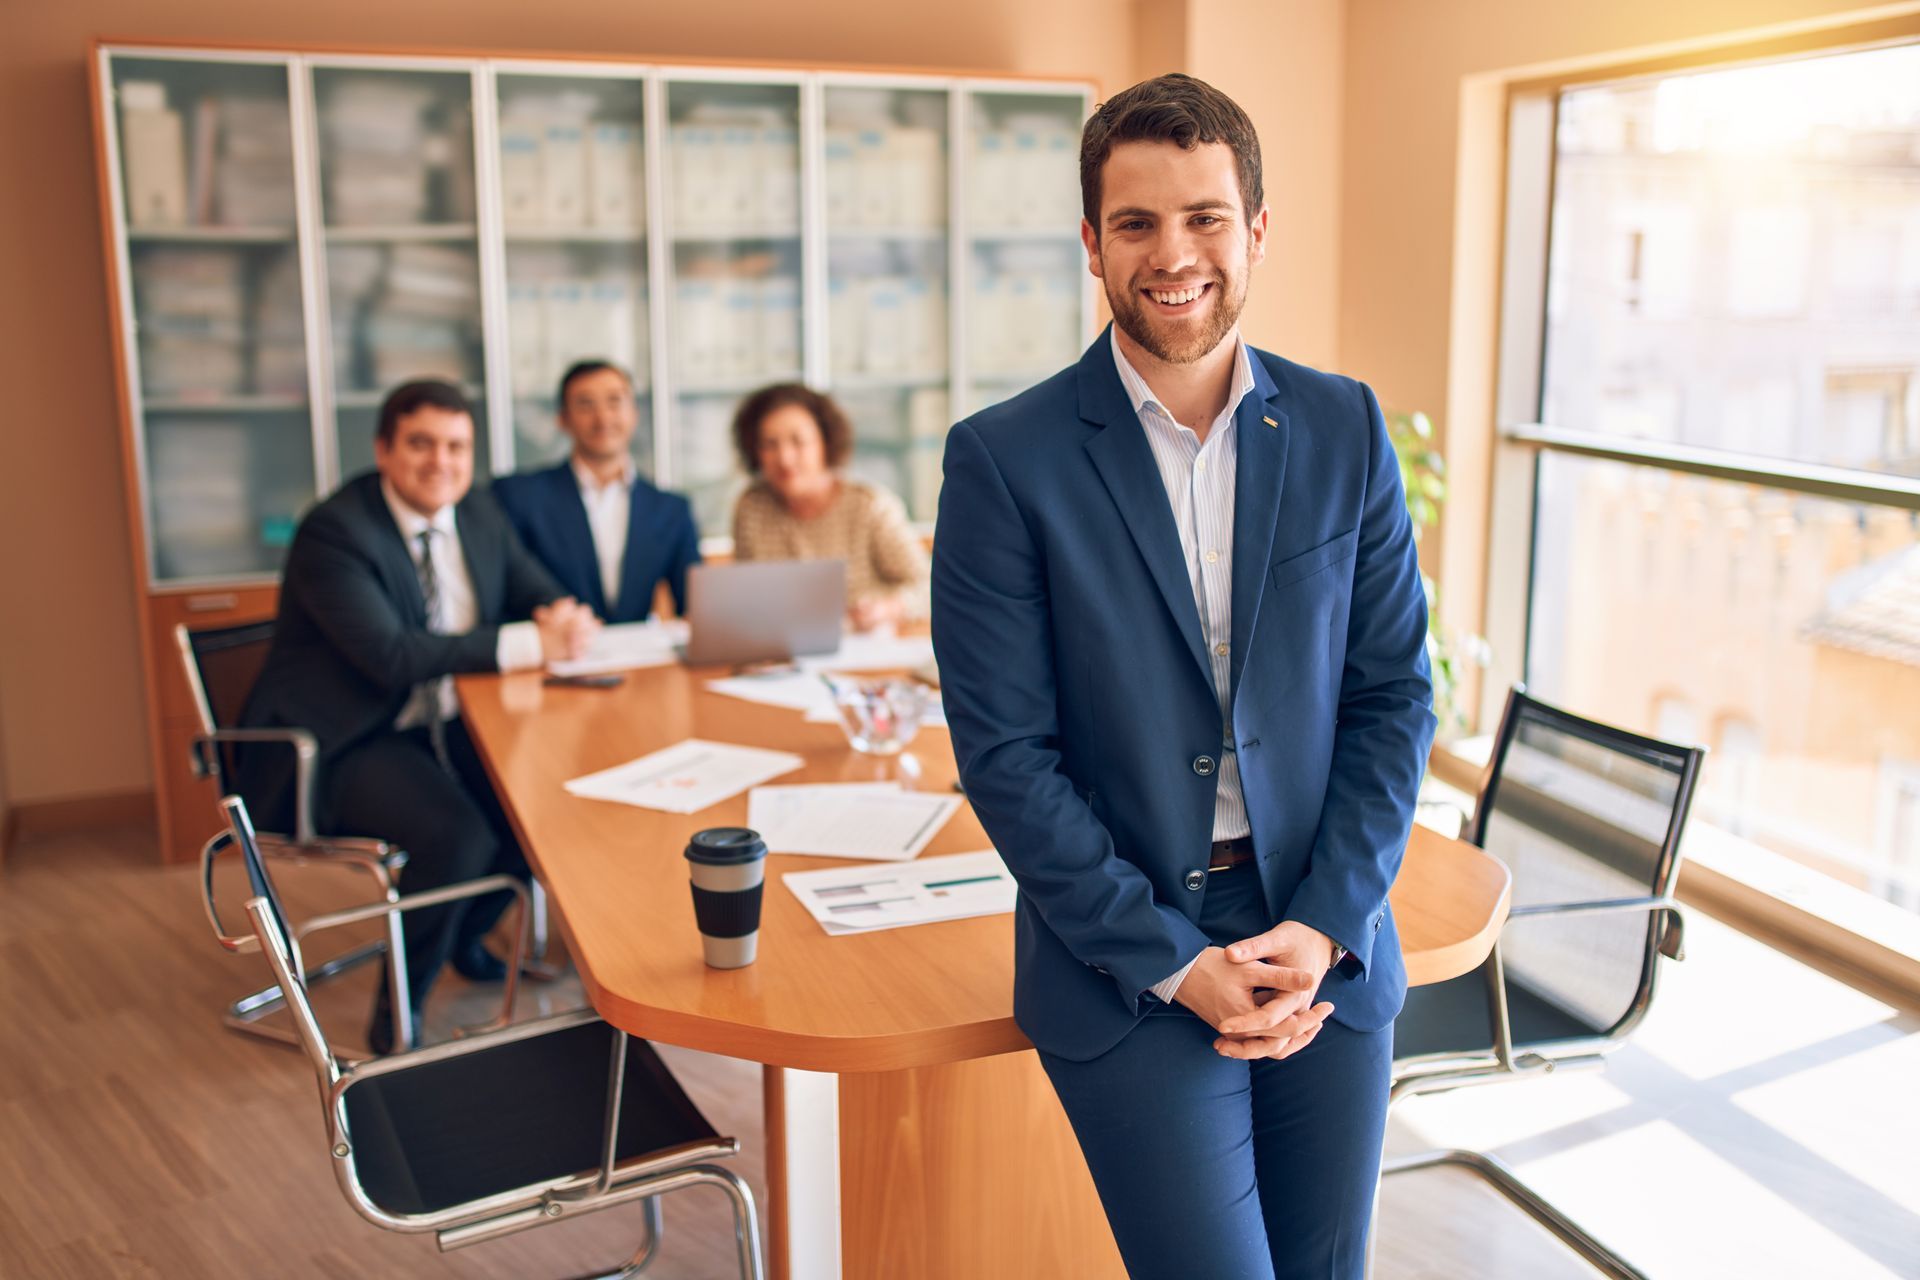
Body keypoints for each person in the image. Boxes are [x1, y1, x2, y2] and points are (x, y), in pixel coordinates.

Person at [930, 75, 1435, 1278]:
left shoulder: (1346, 425)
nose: (1176, 254)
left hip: (1322, 936)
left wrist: (1323, 919)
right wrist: (1177, 960)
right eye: (1140, 222)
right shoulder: (1005, 460)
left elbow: (1391, 696)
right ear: (1094, 241)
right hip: (1128, 951)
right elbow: (1009, 757)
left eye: (1206, 217)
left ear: (1255, 230)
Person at [238, 379, 599, 1054]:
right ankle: (397, 1015)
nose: (442, 462)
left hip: (440, 726)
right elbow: (391, 655)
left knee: (541, 812)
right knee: (458, 838)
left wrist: (561, 613)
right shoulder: (336, 532)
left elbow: (535, 586)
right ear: (383, 449)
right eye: (421, 444)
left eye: (457, 446)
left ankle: (462, 936)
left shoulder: (479, 511)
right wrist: (528, 642)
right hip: (341, 741)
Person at [492, 359, 701, 622]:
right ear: (563, 419)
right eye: (585, 404)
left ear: (634, 414)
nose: (603, 418)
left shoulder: (671, 509)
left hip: (636, 655)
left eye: (615, 401)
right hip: (552, 657)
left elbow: (695, 607)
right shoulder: (520, 497)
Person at [729, 382, 929, 631]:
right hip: (781, 653)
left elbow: (928, 586)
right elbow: (745, 596)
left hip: (865, 654)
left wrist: (889, 608)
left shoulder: (870, 505)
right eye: (770, 444)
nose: (785, 458)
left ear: (825, 442)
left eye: (798, 441)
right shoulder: (751, 507)